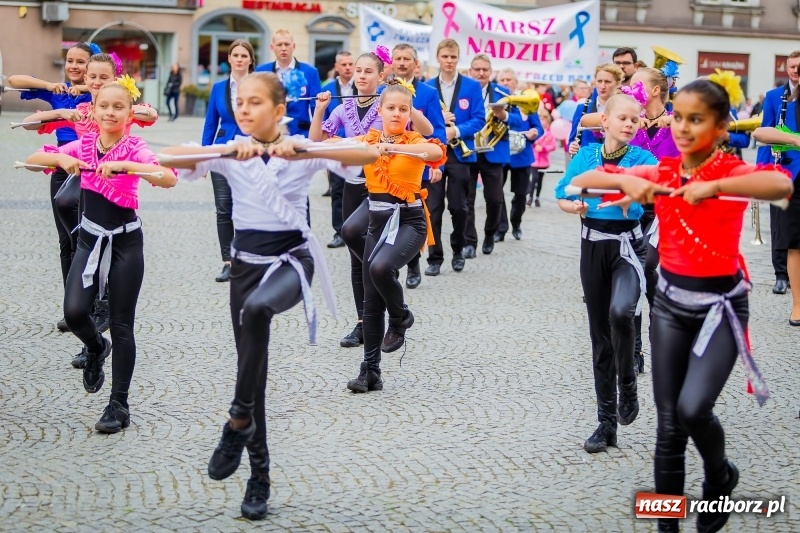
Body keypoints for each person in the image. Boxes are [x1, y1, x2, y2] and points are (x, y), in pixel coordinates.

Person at [572, 79, 792, 533]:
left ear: (722, 126)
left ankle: (719, 477)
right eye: (679, 117)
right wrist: (631, 182)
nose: (685, 127)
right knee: (669, 426)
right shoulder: (665, 170)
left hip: (721, 309)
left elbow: (777, 182)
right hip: (671, 309)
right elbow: (584, 180)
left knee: (693, 410)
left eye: (698, 119)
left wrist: (709, 190)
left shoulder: (731, 172)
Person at [161, 72, 379, 521]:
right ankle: (259, 476)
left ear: (279, 111)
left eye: (255, 102)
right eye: (240, 102)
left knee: (259, 310)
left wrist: (307, 147)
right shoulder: (231, 153)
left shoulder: (299, 149)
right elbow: (168, 156)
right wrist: (225, 149)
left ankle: (236, 419)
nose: (243, 109)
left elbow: (367, 153)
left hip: (292, 261)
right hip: (244, 265)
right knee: (251, 369)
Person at [23, 81, 177, 433]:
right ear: (92, 110)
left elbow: (166, 178)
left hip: (125, 245)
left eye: (118, 107)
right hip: (90, 241)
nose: (110, 112)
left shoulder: (135, 146)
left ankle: (118, 405)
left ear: (128, 113)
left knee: (123, 325)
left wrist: (128, 167)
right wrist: (60, 158)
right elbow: (33, 160)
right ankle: (96, 346)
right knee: (74, 312)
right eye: (103, 106)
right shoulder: (86, 144)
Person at [22, 53, 158, 362]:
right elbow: (29, 125)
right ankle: (84, 317)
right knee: (65, 211)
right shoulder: (83, 109)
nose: (95, 83)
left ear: (114, 80)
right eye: (91, 77)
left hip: (109, 190)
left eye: (103, 78)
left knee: (72, 206)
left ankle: (98, 311)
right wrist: (63, 114)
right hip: (82, 176)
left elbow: (151, 114)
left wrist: (126, 107)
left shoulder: (119, 109)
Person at [555, 94, 656, 455]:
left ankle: (627, 381)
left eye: (636, 119)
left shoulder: (643, 158)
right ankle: (606, 423)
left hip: (628, 248)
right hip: (592, 248)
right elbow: (563, 193)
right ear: (606, 122)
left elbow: (653, 188)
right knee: (600, 338)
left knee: (621, 313)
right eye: (624, 118)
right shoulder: (585, 156)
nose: (630, 124)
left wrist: (635, 193)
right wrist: (574, 206)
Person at [311, 51, 432, 349]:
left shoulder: (391, 105)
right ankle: (364, 321)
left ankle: (386, 305)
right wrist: (320, 109)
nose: (361, 75)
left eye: (368, 71)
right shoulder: (344, 107)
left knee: (374, 261)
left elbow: (427, 135)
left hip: (387, 189)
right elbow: (319, 140)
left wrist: (405, 98)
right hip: (356, 187)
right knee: (357, 253)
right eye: (357, 70)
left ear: (381, 76)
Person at [346, 79, 447, 392]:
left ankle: (401, 317)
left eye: (403, 109)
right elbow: (343, 153)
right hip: (377, 221)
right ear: (380, 109)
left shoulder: (415, 140)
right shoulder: (369, 139)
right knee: (371, 297)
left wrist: (393, 147)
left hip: (410, 222)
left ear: (409, 113)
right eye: (391, 107)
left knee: (378, 269)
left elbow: (433, 150)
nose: (396, 113)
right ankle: (370, 371)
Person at [9, 43, 94, 330]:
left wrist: (86, 90)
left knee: (87, 238)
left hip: (90, 168)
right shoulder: (57, 91)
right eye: (70, 60)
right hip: (61, 164)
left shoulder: (99, 90)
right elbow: (13, 81)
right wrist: (50, 85)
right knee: (66, 240)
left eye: (81, 62)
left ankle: (93, 304)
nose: (74, 66)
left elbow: (123, 88)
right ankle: (73, 308)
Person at [424, 39, 484, 275]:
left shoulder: (471, 86)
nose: (449, 61)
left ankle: (458, 249)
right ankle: (434, 258)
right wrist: (439, 126)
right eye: (445, 56)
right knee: (434, 207)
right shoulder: (427, 86)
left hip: (460, 154)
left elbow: (479, 119)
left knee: (460, 207)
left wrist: (455, 130)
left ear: (458, 59)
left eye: (453, 57)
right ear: (437, 58)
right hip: (434, 153)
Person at [390, 43, 446, 290]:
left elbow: (438, 130)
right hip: (388, 164)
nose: (402, 63)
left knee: (413, 216)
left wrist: (436, 163)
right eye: (398, 58)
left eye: (406, 59)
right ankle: (387, 264)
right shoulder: (383, 91)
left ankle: (413, 264)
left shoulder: (428, 92)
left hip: (417, 165)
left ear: (415, 63)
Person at [202, 39, 255, 283]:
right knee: (224, 209)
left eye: (244, 55)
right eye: (236, 55)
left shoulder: (260, 86)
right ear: (230, 59)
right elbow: (211, 123)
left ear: (251, 60)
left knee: (248, 207)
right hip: (222, 152)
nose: (240, 59)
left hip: (251, 152)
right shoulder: (218, 88)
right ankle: (228, 262)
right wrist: (202, 156)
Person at [465, 54, 524, 254]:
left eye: (485, 69)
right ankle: (470, 242)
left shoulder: (503, 92)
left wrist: (504, 115)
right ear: (470, 71)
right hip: (468, 151)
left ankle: (490, 234)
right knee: (467, 200)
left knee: (495, 199)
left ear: (491, 72)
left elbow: (518, 121)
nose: (481, 73)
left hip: (493, 151)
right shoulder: (464, 91)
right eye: (477, 69)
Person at [757, 50, 800, 295]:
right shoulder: (775, 96)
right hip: (783, 166)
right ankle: (781, 274)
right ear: (786, 69)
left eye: (799, 66)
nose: (795, 70)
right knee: (780, 226)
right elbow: (766, 132)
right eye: (792, 66)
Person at [754, 122, 800, 326]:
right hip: (792, 177)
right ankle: (798, 304)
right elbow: (760, 132)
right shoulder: (780, 98)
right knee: (793, 243)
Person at [495, 68, 544, 241]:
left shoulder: (525, 102)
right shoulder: (494, 101)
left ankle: (516, 223)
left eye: (509, 79)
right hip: (499, 155)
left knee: (521, 194)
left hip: (522, 156)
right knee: (496, 193)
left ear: (516, 83)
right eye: (502, 79)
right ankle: (500, 228)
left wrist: (534, 132)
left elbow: (539, 127)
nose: (506, 82)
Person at [255, 29, 322, 137]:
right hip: (269, 133)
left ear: (293, 46)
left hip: (300, 133)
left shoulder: (310, 72)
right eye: (279, 44)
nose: (283, 48)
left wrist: (318, 134)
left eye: (287, 44)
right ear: (272, 47)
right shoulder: (261, 71)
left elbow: (317, 107)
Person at [321, 50, 355, 249]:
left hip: (358, 145)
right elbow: (324, 118)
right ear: (337, 66)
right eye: (344, 64)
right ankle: (339, 231)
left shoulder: (362, 86)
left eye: (351, 64)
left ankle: (357, 229)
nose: (348, 67)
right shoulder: (328, 89)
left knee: (359, 189)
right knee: (337, 190)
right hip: (335, 145)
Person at [568, 64, 624, 154]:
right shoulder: (582, 108)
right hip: (588, 163)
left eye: (607, 82)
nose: (602, 86)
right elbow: (573, 139)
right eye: (599, 81)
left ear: (617, 83)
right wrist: (572, 147)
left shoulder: (624, 109)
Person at [528, 109, 557, 207]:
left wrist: (544, 148)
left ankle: (537, 197)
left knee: (540, 180)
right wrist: (534, 145)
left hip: (544, 161)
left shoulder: (550, 133)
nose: (542, 121)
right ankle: (530, 197)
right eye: (540, 119)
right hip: (534, 160)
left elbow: (553, 146)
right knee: (534, 178)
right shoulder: (535, 131)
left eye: (543, 119)